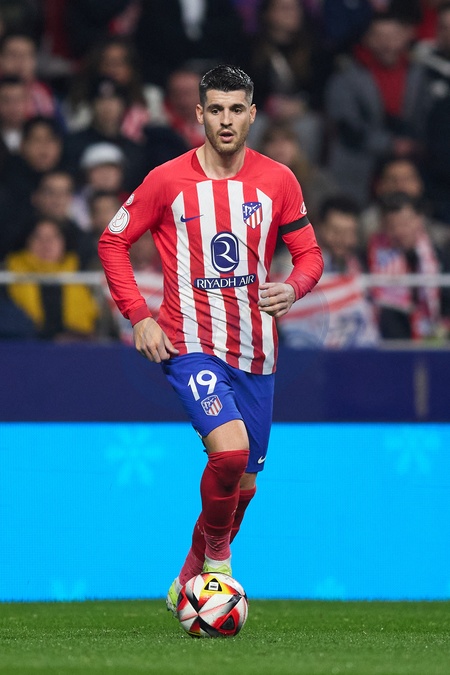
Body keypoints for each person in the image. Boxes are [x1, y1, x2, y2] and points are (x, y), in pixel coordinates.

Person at [98, 65, 323, 613]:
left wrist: (292, 288)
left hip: (257, 352)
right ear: (199, 114)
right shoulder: (165, 180)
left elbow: (310, 255)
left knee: (244, 485)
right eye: (216, 109)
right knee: (229, 453)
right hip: (189, 344)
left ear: (252, 114)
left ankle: (188, 579)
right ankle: (219, 561)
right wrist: (139, 316)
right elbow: (112, 241)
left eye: (236, 109)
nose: (226, 120)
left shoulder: (279, 180)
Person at [5, 216, 99, 340]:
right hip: (22, 346)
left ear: (63, 242)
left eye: (53, 237)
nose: (46, 244)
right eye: (38, 237)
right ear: (27, 241)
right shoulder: (7, 274)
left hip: (76, 345)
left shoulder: (83, 273)